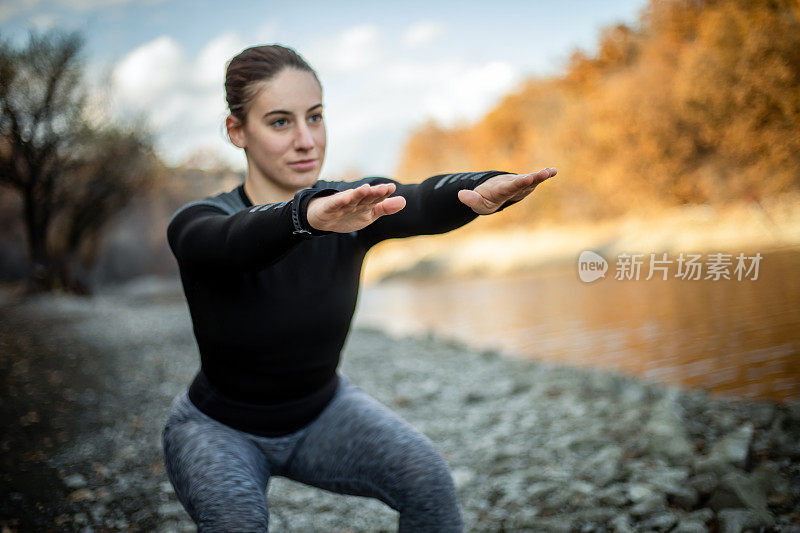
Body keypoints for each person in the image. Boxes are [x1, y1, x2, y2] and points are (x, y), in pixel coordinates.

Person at [161, 43, 556, 532]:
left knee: (427, 477)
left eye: (316, 117)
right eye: (281, 122)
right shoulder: (200, 221)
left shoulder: (352, 207)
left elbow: (421, 198)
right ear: (236, 130)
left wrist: (485, 185)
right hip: (217, 429)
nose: (306, 140)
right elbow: (231, 243)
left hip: (323, 413)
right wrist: (303, 216)